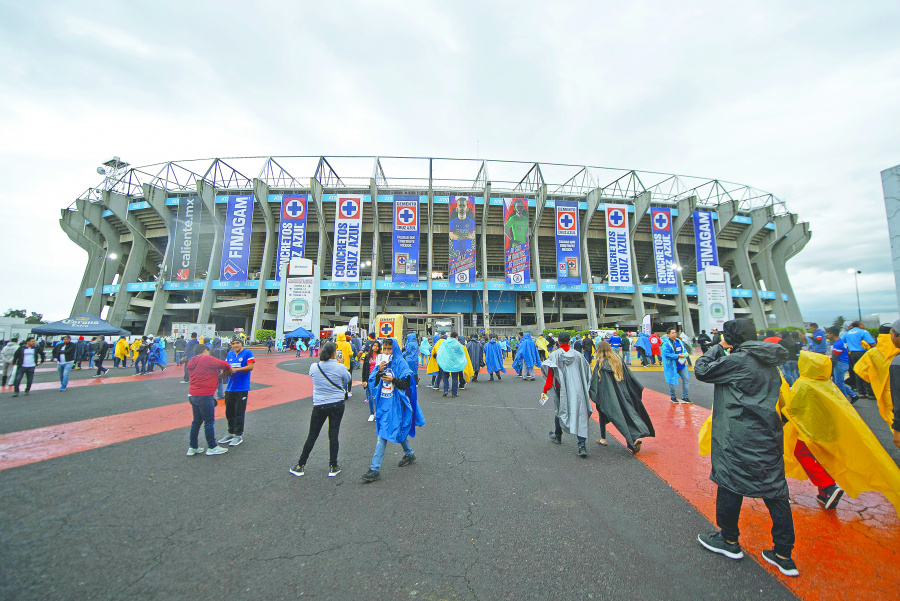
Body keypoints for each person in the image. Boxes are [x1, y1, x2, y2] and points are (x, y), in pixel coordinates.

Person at [694, 318, 798, 577]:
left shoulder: (738, 360)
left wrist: (718, 346)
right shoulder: (768, 358)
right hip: (768, 432)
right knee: (775, 491)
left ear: (732, 337)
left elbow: (702, 370)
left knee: (730, 482)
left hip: (738, 434)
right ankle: (784, 554)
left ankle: (728, 540)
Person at [785, 349, 900, 513]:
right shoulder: (828, 384)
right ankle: (825, 494)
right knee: (824, 458)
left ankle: (828, 486)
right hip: (830, 432)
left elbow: (794, 408)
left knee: (801, 453)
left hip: (809, 432)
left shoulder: (802, 384)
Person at [362, 337, 425, 483]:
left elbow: (407, 383)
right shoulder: (383, 363)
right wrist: (379, 371)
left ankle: (374, 469)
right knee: (395, 429)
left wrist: (394, 380)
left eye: (389, 348)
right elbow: (374, 382)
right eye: (384, 348)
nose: (386, 351)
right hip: (384, 404)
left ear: (394, 348)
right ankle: (409, 453)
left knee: (383, 434)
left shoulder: (401, 363)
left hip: (396, 405)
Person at [289, 342, 349, 477]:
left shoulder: (314, 367)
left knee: (312, 435)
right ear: (334, 353)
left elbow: (314, 377)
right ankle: (333, 466)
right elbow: (347, 379)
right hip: (336, 404)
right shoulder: (340, 367)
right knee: (333, 435)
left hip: (319, 404)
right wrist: (342, 363)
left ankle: (300, 465)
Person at [589, 340, 655, 454]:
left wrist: (594, 394)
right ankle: (634, 438)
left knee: (603, 414)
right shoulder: (618, 360)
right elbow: (630, 377)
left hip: (607, 396)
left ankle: (603, 438)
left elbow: (595, 382)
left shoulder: (600, 363)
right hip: (623, 393)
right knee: (626, 415)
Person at [543, 331, 593, 457]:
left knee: (560, 410)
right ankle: (582, 445)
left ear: (558, 341)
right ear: (570, 341)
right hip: (576, 388)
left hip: (561, 388)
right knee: (580, 413)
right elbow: (586, 372)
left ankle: (558, 435)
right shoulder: (578, 356)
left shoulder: (554, 355)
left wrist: (545, 389)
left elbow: (550, 374)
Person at [185, 344, 232, 456]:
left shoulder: (192, 360)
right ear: (205, 350)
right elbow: (225, 364)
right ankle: (212, 446)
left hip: (192, 394)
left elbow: (203, 373)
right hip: (205, 394)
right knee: (209, 421)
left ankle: (193, 447)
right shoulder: (207, 358)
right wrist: (226, 371)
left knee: (196, 421)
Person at [853, 322, 900, 429]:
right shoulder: (898, 350)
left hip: (884, 392)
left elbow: (860, 370)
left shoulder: (872, 353)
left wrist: (876, 378)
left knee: (892, 419)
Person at [215, 338, 255, 448]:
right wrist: (222, 374)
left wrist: (235, 370)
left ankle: (238, 435)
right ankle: (230, 432)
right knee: (229, 411)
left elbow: (250, 366)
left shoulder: (247, 352)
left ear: (241, 344)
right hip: (230, 388)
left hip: (241, 387)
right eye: (233, 343)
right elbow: (227, 368)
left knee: (239, 411)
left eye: (237, 343)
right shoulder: (230, 354)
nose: (235, 345)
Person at [825, 328, 858, 403]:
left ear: (832, 334)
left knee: (839, 383)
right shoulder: (839, 342)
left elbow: (835, 357)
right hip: (842, 363)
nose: (828, 335)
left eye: (828, 333)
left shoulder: (838, 343)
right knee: (837, 382)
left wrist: (830, 365)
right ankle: (853, 395)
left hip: (840, 364)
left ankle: (844, 401)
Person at [844, 321, 876, 398]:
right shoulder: (863, 332)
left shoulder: (848, 333)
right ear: (859, 325)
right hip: (862, 353)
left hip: (853, 353)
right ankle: (870, 393)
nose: (864, 325)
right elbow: (872, 343)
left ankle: (861, 392)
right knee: (866, 371)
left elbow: (842, 341)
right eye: (863, 324)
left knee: (857, 371)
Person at [662, 328, 691, 404]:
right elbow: (666, 354)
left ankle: (685, 397)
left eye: (675, 332)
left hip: (681, 365)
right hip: (672, 366)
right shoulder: (666, 344)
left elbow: (684, 350)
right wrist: (677, 355)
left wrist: (685, 354)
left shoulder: (679, 342)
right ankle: (673, 397)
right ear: (668, 334)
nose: (675, 334)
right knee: (671, 381)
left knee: (686, 379)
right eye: (672, 333)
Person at [436, 331, 468, 397]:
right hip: (455, 363)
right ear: (456, 337)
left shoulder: (445, 343)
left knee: (445, 377)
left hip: (446, 363)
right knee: (455, 378)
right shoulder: (458, 344)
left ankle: (445, 390)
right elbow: (461, 353)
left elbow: (440, 351)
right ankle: (454, 393)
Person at [361, 339, 382, 422]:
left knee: (378, 396)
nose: (375, 347)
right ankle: (371, 413)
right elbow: (364, 369)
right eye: (374, 346)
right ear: (371, 347)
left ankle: (377, 413)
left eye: (377, 346)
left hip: (379, 378)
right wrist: (363, 380)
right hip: (370, 378)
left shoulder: (380, 356)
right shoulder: (367, 356)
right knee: (370, 396)